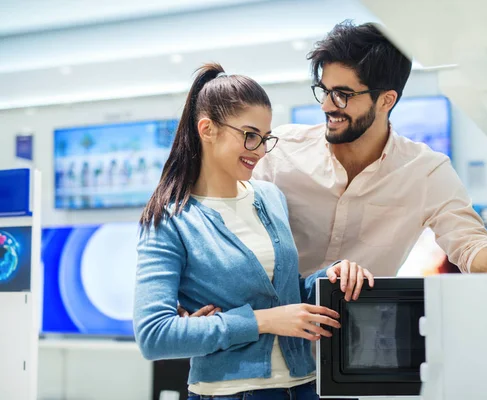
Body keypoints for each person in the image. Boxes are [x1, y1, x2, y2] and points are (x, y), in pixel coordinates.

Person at [133, 63, 374, 400]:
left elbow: (285, 296)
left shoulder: (270, 198)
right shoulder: (170, 219)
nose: (259, 150)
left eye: (265, 138)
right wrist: (262, 321)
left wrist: (330, 276)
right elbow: (154, 336)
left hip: (304, 386)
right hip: (230, 392)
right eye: (249, 135)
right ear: (207, 129)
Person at [252, 20, 487, 277]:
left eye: (343, 94)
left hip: (361, 336)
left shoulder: (425, 171)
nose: (327, 105)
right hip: (275, 330)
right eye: (325, 90)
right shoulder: (281, 151)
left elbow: (469, 244)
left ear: (386, 100)